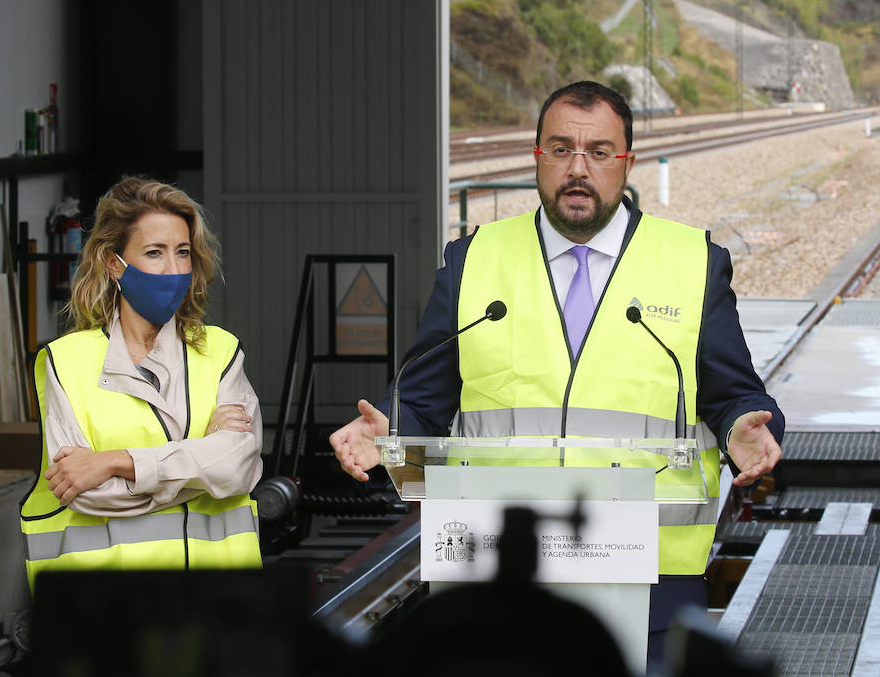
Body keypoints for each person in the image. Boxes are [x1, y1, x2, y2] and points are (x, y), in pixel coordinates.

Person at [330, 81, 784, 664]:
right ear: (537, 157)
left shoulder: (694, 262)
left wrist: (744, 423)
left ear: (626, 164)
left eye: (599, 152)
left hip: (648, 565)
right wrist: (386, 425)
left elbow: (731, 389)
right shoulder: (473, 259)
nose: (579, 168)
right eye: (561, 149)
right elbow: (425, 393)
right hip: (498, 560)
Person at [20, 177, 262, 583]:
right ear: (115, 263)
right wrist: (202, 464)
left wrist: (117, 461)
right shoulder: (67, 362)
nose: (173, 269)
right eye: (155, 253)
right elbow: (85, 492)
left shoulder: (220, 353)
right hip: (110, 609)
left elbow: (238, 467)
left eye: (183, 253)